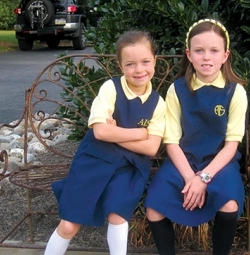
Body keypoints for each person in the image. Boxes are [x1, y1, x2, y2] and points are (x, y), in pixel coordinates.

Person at [44, 30, 166, 255]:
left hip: (129, 168)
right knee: (70, 224)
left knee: (117, 216)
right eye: (130, 64)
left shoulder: (158, 103)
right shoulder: (111, 89)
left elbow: (151, 148)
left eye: (145, 62)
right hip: (94, 161)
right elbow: (100, 133)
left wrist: (116, 131)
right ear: (120, 66)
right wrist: (139, 133)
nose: (139, 69)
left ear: (154, 62)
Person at [145, 18, 248, 255]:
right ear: (189, 54)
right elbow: (170, 141)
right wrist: (191, 177)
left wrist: (204, 178)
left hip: (220, 162)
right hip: (183, 161)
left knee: (229, 204)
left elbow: (231, 145)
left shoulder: (235, 92)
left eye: (214, 50)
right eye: (199, 51)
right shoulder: (177, 89)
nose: (207, 57)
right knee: (154, 208)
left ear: (225, 55)